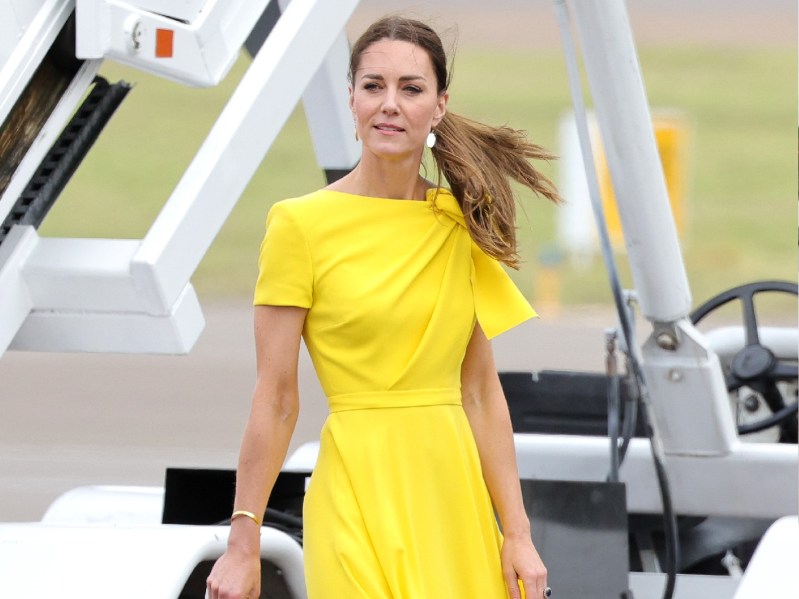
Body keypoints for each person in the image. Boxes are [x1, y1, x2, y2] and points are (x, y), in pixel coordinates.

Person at [206, 15, 560, 599]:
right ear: (350, 99)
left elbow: (480, 394)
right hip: (354, 491)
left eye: (411, 88)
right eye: (373, 86)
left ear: (439, 106)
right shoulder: (299, 225)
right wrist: (242, 544)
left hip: (450, 495)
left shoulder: (458, 223)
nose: (389, 104)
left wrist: (517, 534)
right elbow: (275, 398)